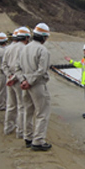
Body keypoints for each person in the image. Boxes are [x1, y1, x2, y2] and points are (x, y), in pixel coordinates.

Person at [15, 23, 52, 151]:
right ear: (43, 37)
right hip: (37, 85)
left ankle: (28, 137)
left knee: (28, 111)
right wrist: (30, 81)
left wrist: (23, 80)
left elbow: (17, 67)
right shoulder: (43, 50)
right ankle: (38, 141)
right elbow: (42, 70)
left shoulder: (24, 48)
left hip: (25, 85)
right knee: (42, 113)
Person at [2, 27, 30, 138]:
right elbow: (21, 67)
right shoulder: (24, 49)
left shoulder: (8, 48)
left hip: (9, 80)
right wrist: (14, 78)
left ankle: (8, 128)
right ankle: (20, 131)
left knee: (11, 105)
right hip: (19, 80)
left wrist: (9, 76)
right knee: (22, 106)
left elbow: (4, 64)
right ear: (27, 37)